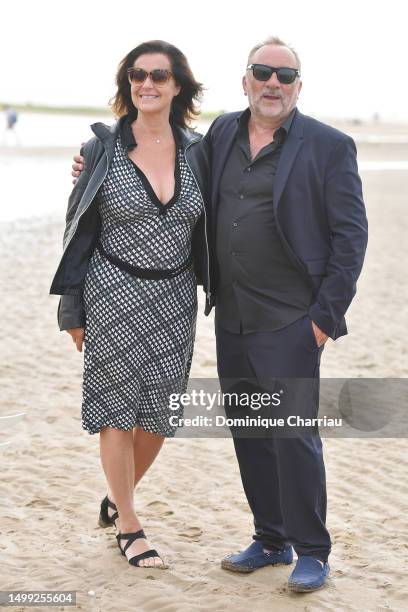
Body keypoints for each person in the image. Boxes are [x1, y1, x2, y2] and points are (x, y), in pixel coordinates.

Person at [72, 36, 368, 592]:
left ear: (298, 86)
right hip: (230, 313)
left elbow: (351, 237)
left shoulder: (329, 146)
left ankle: (312, 549)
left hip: (292, 317)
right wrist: (89, 166)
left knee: (294, 433)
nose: (272, 83)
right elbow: (151, 158)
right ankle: (270, 537)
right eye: (262, 72)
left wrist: (325, 318)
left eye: (284, 76)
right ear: (246, 80)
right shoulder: (222, 134)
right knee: (251, 432)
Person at [51, 40, 212, 569]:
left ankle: (117, 497)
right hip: (112, 290)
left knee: (160, 415)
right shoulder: (101, 150)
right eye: (138, 75)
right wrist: (73, 309)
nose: (147, 84)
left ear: (177, 86)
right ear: (127, 84)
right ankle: (130, 523)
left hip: (175, 295)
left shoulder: (199, 152)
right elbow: (77, 230)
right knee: (116, 412)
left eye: (159, 76)